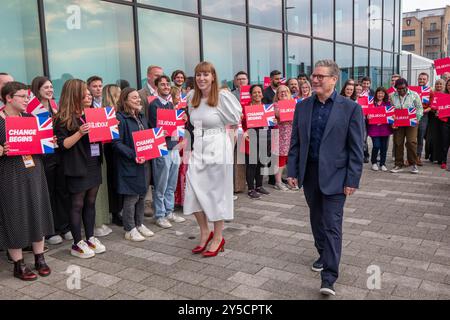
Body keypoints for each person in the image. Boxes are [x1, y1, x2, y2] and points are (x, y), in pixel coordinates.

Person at [287, 60, 364, 296]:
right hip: (310, 175)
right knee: (316, 219)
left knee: (332, 224)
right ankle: (323, 253)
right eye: (314, 76)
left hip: (337, 177)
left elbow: (356, 148)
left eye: (321, 76)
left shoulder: (350, 108)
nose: (315, 80)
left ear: (334, 79)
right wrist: (292, 171)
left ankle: (329, 277)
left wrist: (352, 179)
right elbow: (295, 142)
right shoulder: (303, 107)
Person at [184, 61, 241, 257]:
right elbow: (191, 124)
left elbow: (235, 120)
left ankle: (218, 237)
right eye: (198, 75)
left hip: (218, 146)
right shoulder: (192, 97)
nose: (201, 78)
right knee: (191, 190)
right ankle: (204, 231)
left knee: (217, 193)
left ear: (213, 77)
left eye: (205, 75)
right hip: (198, 146)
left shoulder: (223, 97)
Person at [0, 81, 53, 280]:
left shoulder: (31, 118)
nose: (27, 100)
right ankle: (18, 264)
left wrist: (47, 143)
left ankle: (40, 258)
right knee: (15, 215)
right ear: (9, 98)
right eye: (22, 96)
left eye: (27, 96)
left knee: (37, 211)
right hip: (9, 175)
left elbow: (41, 147)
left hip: (34, 172)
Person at [54, 79, 106, 258]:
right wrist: (80, 132)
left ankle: (90, 237)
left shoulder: (92, 113)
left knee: (91, 202)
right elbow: (62, 145)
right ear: (75, 94)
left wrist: (109, 129)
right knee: (77, 204)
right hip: (76, 167)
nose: (89, 95)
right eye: (85, 92)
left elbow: (99, 137)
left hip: (93, 162)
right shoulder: (62, 118)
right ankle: (77, 243)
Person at [30, 76, 72, 245]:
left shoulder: (55, 106)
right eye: (46, 87)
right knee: (48, 193)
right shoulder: (31, 110)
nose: (50, 90)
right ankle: (50, 230)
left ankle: (65, 226)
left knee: (62, 191)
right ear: (37, 89)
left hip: (59, 155)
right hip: (43, 157)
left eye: (51, 87)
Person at [113, 88, 154, 241]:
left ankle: (139, 224)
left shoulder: (142, 117)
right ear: (125, 101)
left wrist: (158, 137)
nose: (138, 100)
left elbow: (148, 136)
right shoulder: (120, 118)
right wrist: (133, 155)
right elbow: (116, 143)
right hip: (129, 163)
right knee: (132, 197)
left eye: (138, 97)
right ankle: (129, 229)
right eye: (134, 98)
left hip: (144, 163)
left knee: (142, 195)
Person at [148, 75, 186, 228]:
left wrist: (181, 122)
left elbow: (174, 127)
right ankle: (159, 215)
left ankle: (169, 211)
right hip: (162, 149)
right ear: (156, 87)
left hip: (174, 147)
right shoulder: (154, 105)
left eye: (167, 84)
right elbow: (155, 128)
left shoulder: (171, 105)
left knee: (171, 183)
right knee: (161, 184)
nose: (165, 86)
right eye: (162, 84)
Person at [94, 84, 122, 236]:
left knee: (114, 182)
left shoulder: (119, 110)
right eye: (118, 93)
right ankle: (110, 214)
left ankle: (114, 212)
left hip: (114, 149)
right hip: (107, 149)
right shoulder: (103, 111)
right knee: (108, 183)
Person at [242, 85, 271, 199]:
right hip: (250, 138)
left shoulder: (266, 108)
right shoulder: (245, 108)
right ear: (250, 95)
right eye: (254, 93)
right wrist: (244, 132)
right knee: (252, 164)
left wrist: (273, 120)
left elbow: (271, 124)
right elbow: (240, 123)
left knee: (261, 163)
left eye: (259, 92)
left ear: (262, 94)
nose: (257, 94)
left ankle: (259, 186)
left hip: (264, 137)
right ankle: (250, 189)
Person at [390, 78, 423, 174]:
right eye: (398, 89)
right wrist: (392, 120)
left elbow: (419, 108)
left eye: (402, 88)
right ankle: (398, 164)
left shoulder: (414, 95)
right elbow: (391, 110)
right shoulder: (392, 96)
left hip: (411, 122)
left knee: (411, 142)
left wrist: (417, 118)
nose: (400, 90)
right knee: (398, 142)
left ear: (407, 87)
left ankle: (413, 164)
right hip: (398, 123)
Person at [273, 85, 296, 191]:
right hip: (280, 135)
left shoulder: (295, 104)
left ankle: (290, 181)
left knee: (291, 158)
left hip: (293, 135)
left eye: (285, 91)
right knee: (281, 158)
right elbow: (279, 115)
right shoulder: (275, 105)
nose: (283, 93)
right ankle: (278, 182)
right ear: (277, 94)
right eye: (280, 92)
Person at [230, 71, 248, 194]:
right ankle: (233, 186)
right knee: (234, 157)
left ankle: (241, 185)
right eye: (239, 79)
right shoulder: (231, 95)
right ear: (235, 81)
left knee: (244, 158)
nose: (241, 81)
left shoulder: (252, 93)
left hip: (249, 127)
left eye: (243, 79)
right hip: (234, 128)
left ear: (247, 80)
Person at [367, 87, 393, 172]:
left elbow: (390, 116)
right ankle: (374, 162)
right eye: (379, 93)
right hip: (374, 129)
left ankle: (382, 163)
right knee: (376, 145)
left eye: (382, 93)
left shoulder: (388, 104)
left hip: (385, 129)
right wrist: (368, 117)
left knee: (384, 147)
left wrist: (392, 117)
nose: (380, 94)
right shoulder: (371, 103)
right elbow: (367, 113)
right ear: (376, 93)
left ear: (385, 94)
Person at [426, 79, 445, 165]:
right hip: (433, 118)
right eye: (437, 84)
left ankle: (440, 157)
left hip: (443, 118)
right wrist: (433, 110)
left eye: (440, 84)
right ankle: (432, 156)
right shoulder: (431, 94)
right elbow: (429, 105)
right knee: (432, 138)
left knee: (440, 138)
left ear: (443, 85)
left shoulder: (446, 95)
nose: (439, 86)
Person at [416, 72, 432, 166]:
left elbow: (432, 106)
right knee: (411, 138)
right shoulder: (412, 90)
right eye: (420, 78)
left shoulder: (430, 91)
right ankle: (411, 157)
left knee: (420, 137)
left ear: (427, 80)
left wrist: (423, 111)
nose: (422, 80)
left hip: (423, 116)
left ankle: (418, 158)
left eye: (424, 79)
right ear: (418, 79)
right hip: (412, 115)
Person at [440, 79, 450, 169]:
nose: (449, 87)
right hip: (445, 122)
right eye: (448, 85)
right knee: (444, 142)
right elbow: (440, 109)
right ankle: (443, 161)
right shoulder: (443, 96)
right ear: (446, 86)